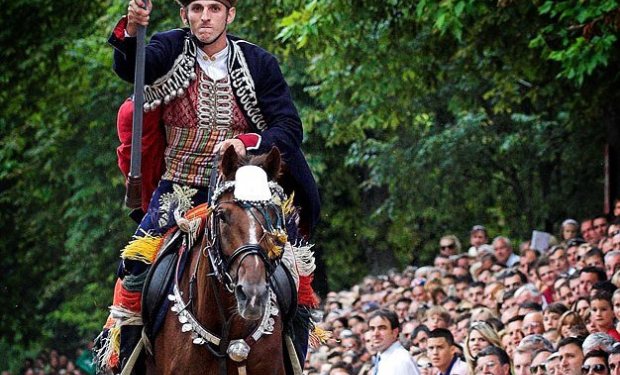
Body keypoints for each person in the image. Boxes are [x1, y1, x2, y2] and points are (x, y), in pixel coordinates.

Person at [97, 0, 321, 372]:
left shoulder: (258, 62)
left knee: (294, 260)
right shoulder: (168, 48)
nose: (205, 16)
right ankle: (124, 363)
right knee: (134, 264)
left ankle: (294, 360)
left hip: (243, 181)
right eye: (197, 7)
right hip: (180, 184)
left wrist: (248, 142)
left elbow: (289, 127)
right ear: (185, 13)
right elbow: (133, 67)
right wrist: (133, 30)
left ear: (229, 15)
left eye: (214, 8)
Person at [367, 309, 420, 375]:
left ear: (395, 332)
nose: (375, 334)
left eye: (382, 328)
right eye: (372, 329)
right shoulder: (382, 357)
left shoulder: (400, 360)